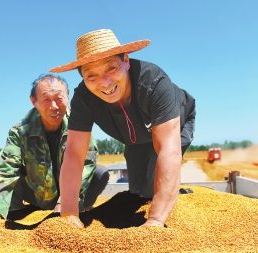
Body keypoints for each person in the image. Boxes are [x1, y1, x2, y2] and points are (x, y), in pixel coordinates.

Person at [49, 29, 196, 228]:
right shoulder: (83, 99)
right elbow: (74, 152)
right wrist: (68, 212)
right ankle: (159, 193)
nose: (105, 82)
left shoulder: (154, 83)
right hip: (134, 137)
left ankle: (176, 200)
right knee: (138, 193)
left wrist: (155, 221)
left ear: (126, 61)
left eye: (111, 68)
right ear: (82, 77)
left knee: (154, 184)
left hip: (170, 125)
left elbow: (168, 150)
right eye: (91, 75)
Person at [0, 74, 109, 226]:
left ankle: (79, 208)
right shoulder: (20, 131)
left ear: (68, 97)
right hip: (36, 194)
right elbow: (5, 170)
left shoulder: (79, 124)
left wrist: (66, 204)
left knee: (99, 174)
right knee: (15, 176)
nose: (54, 106)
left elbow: (86, 164)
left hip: (69, 197)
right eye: (46, 99)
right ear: (34, 102)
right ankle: (14, 213)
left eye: (59, 99)